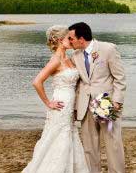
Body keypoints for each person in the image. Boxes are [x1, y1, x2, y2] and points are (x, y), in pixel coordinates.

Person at [22, 25, 89, 173]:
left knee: (69, 134)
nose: (71, 41)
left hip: (70, 104)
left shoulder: (70, 58)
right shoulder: (56, 60)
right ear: (60, 40)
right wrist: (48, 102)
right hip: (60, 104)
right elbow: (37, 82)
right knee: (59, 137)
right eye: (68, 38)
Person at [68, 22, 126, 173]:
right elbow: (77, 84)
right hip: (84, 106)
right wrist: (75, 108)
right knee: (89, 147)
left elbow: (119, 77)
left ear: (81, 39)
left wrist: (117, 102)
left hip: (105, 103)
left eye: (71, 38)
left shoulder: (108, 49)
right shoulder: (75, 56)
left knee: (113, 144)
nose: (69, 41)